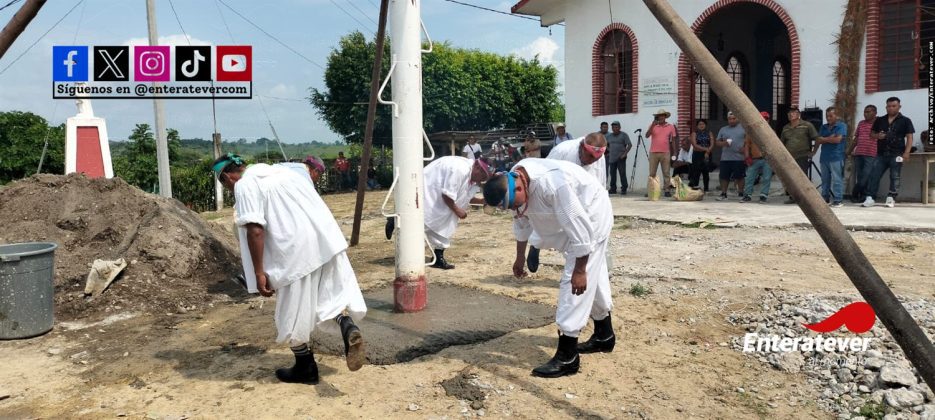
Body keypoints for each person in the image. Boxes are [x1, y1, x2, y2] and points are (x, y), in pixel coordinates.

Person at [213, 153, 367, 384]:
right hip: (327, 241)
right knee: (328, 298)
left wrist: (258, 272)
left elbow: (255, 229)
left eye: (224, 185)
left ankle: (305, 368)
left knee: (291, 314)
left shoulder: (245, 185)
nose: (228, 189)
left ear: (227, 176)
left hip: (295, 251)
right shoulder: (284, 172)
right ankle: (347, 325)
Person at [482, 158, 614, 378]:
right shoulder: (513, 180)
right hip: (566, 224)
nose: (515, 209)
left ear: (521, 186)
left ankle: (568, 356)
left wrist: (579, 271)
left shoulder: (553, 185)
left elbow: (580, 230)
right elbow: (521, 222)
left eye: (514, 204)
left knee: (574, 283)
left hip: (591, 217)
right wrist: (519, 258)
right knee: (593, 278)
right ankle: (604, 335)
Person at [385, 157, 490, 269]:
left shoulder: (470, 174)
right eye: (482, 176)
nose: (480, 180)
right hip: (430, 188)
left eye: (484, 178)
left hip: (440, 193)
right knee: (422, 220)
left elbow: (462, 195)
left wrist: (481, 201)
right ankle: (395, 220)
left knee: (445, 222)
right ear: (477, 167)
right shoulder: (460, 170)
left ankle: (438, 257)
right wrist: (457, 210)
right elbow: (447, 195)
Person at [534, 132, 608, 273]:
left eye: (596, 158)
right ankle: (536, 246)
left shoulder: (599, 155)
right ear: (582, 147)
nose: (593, 161)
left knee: (584, 236)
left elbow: (600, 182)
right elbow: (545, 177)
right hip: (557, 192)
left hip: (584, 197)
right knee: (554, 226)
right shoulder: (562, 151)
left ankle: (584, 271)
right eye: (590, 157)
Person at [864, 97, 915, 208]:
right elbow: (871, 134)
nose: (891, 108)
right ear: (886, 107)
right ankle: (870, 197)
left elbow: (909, 137)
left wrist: (907, 152)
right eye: (888, 106)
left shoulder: (905, 120)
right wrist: (878, 136)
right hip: (881, 153)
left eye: (893, 106)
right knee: (874, 175)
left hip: (897, 153)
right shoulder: (880, 120)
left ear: (899, 107)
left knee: (895, 176)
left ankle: (891, 198)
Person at [780, 107, 819, 204]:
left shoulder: (807, 125)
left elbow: (817, 139)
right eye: (789, 113)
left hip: (802, 156)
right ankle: (793, 197)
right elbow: (781, 143)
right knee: (791, 179)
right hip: (789, 158)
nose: (790, 115)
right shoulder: (785, 128)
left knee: (802, 178)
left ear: (798, 114)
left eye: (793, 113)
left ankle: (805, 199)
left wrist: (813, 152)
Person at [816, 106, 847, 207]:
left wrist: (824, 139)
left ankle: (838, 200)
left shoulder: (841, 126)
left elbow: (838, 140)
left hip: (836, 157)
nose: (828, 118)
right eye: (827, 116)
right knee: (825, 179)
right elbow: (818, 140)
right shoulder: (823, 127)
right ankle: (825, 198)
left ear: (836, 116)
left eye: (830, 116)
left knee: (837, 179)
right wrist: (830, 138)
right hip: (824, 157)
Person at [848, 105, 879, 203]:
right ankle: (863, 196)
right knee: (860, 176)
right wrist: (849, 151)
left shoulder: (880, 123)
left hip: (871, 154)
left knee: (867, 176)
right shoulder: (861, 123)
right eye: (865, 112)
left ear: (875, 113)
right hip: (859, 153)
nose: (866, 114)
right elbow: (856, 138)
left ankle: (855, 193)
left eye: (868, 112)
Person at [741, 112, 774, 203]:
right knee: (749, 177)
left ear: (768, 120)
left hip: (767, 159)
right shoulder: (751, 132)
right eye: (762, 118)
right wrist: (747, 157)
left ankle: (763, 195)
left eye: (766, 119)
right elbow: (747, 145)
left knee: (766, 177)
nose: (764, 120)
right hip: (754, 158)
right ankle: (747, 195)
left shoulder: (771, 132)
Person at [715, 112, 746, 201]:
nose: (731, 121)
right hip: (725, 158)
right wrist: (723, 143)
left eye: (734, 118)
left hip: (739, 158)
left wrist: (745, 149)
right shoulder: (723, 129)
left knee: (740, 176)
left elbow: (750, 141)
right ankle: (724, 194)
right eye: (730, 119)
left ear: (738, 119)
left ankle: (741, 193)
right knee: (724, 177)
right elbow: (717, 142)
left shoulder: (743, 128)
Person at [646, 108, 678, 197]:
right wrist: (652, 125)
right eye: (659, 116)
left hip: (666, 152)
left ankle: (667, 190)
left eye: (662, 116)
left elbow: (674, 140)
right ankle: (651, 190)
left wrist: (675, 152)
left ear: (665, 117)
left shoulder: (670, 126)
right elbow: (647, 135)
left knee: (666, 172)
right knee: (652, 173)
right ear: (657, 117)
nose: (661, 117)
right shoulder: (653, 126)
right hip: (653, 152)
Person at [605, 121, 632, 195]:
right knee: (612, 174)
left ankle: (624, 189)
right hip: (612, 158)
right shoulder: (609, 136)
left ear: (619, 127)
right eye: (613, 127)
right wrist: (608, 149)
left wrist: (624, 154)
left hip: (621, 158)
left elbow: (629, 145)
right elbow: (605, 144)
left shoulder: (624, 135)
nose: (614, 129)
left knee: (622, 173)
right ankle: (613, 189)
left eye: (616, 127)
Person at [689, 119, 714, 192]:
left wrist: (708, 151)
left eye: (703, 124)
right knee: (696, 172)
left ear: (705, 125)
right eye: (700, 124)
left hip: (707, 154)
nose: (701, 125)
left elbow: (712, 143)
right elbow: (695, 145)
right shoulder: (694, 133)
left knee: (706, 172)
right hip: (697, 155)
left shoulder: (709, 133)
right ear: (697, 126)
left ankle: (706, 188)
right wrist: (706, 149)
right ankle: (695, 188)